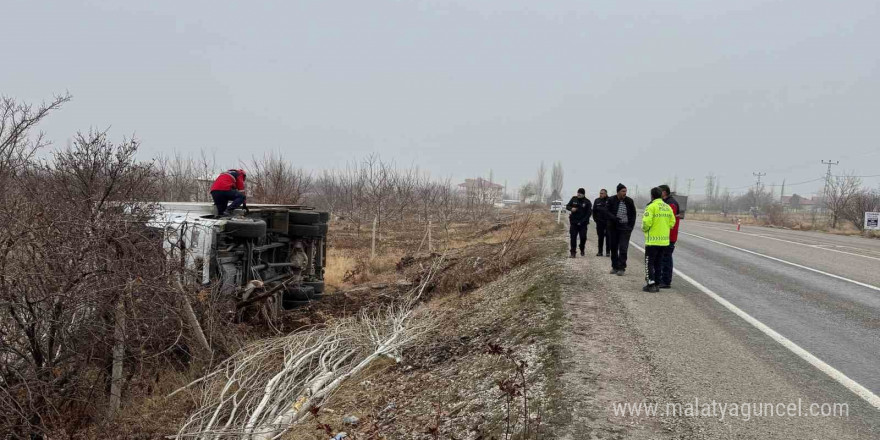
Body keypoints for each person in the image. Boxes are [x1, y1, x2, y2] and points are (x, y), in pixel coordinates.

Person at [642, 187, 675, 292]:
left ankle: (650, 284)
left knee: (649, 263)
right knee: (659, 263)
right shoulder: (667, 207)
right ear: (661, 195)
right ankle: (656, 283)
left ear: (652, 196)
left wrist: (645, 229)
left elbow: (646, 223)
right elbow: (672, 223)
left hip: (652, 240)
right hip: (664, 241)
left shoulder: (651, 207)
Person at [606, 183, 636, 276]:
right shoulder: (611, 200)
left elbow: (633, 215)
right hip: (613, 228)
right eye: (623, 191)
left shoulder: (629, 201)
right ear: (618, 192)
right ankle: (615, 267)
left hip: (625, 228)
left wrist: (630, 227)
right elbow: (606, 211)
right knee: (614, 248)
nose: (625, 193)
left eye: (625, 191)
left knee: (623, 248)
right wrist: (614, 218)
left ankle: (622, 267)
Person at [658, 184, 682, 289]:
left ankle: (666, 281)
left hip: (669, 235)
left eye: (659, 191)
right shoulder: (667, 202)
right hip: (666, 235)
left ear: (664, 192)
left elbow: (668, 220)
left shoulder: (671, 203)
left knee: (666, 258)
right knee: (664, 257)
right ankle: (663, 279)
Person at [565, 188, 592, 258]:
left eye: (580, 193)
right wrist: (571, 209)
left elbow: (588, 214)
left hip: (583, 223)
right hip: (574, 222)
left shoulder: (587, 202)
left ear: (583, 194)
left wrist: (582, 222)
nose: (578, 194)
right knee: (573, 237)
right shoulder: (574, 199)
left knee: (583, 237)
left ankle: (582, 247)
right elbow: (567, 206)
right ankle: (573, 252)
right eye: (578, 193)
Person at [592, 189, 611, 257]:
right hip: (599, 222)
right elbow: (594, 211)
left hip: (608, 222)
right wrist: (595, 219)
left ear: (606, 194)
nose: (601, 194)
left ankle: (608, 252)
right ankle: (600, 252)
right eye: (600, 193)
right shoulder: (597, 200)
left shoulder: (610, 200)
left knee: (608, 237)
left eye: (602, 193)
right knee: (600, 237)